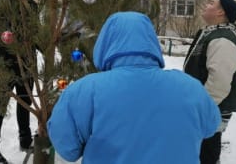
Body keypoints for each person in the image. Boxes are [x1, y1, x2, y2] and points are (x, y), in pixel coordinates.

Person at [47, 11, 221, 164]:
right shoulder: (190, 87)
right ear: (151, 41)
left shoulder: (85, 90)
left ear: (105, 43)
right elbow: (211, 125)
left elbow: (67, 148)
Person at [184, 0, 236, 164]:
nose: (206, 5)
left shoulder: (222, 39)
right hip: (205, 108)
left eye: (211, 3)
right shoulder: (213, 33)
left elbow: (219, 83)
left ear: (221, 12)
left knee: (206, 153)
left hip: (210, 110)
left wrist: (201, 109)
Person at [0, 0, 37, 164]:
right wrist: (3, 61)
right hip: (5, 65)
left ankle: (26, 138)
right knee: (0, 104)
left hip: (27, 64)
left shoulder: (31, 5)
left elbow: (35, 35)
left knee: (26, 101)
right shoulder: (0, 4)